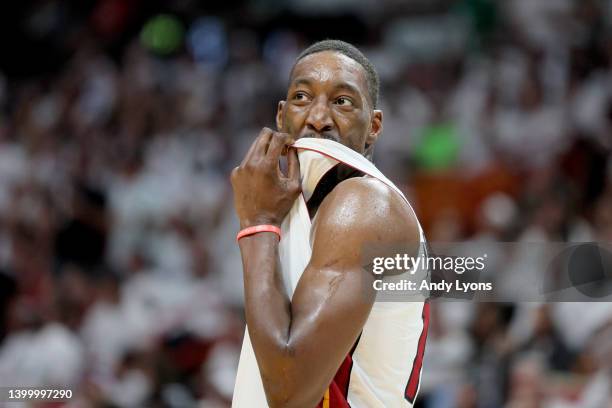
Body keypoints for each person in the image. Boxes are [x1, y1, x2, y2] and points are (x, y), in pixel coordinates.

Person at [231, 39, 429, 408]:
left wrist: (257, 223)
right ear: (281, 116)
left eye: (342, 102)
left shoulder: (362, 203)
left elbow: (290, 393)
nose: (318, 118)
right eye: (302, 98)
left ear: (373, 127)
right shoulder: (310, 207)